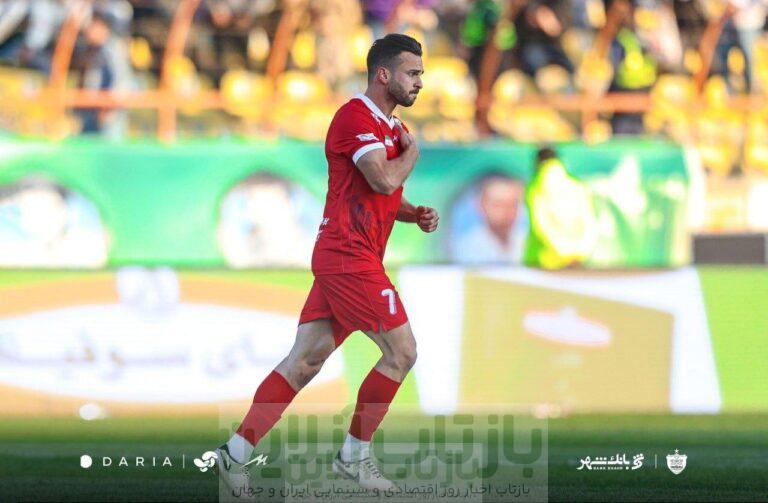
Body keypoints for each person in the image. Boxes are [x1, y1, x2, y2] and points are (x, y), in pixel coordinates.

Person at [214, 33, 438, 495]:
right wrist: (412, 156)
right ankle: (354, 456)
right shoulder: (354, 117)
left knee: (304, 362)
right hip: (348, 256)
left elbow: (380, 194)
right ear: (383, 75)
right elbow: (382, 179)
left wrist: (413, 213)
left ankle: (233, 453)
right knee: (402, 353)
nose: (420, 82)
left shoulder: (390, 126)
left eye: (421, 74)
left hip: (351, 256)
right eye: (412, 73)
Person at [450, 174, 526, 264]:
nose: (506, 212)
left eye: (513, 204)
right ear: (481, 205)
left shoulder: (525, 240)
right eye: (498, 205)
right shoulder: (465, 248)